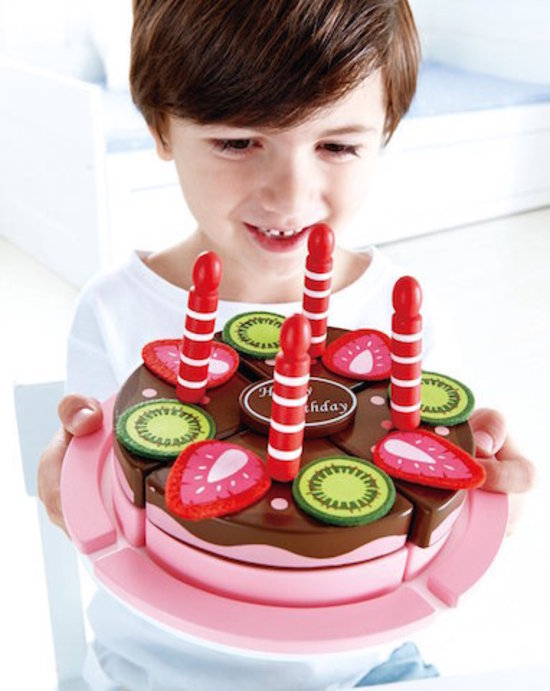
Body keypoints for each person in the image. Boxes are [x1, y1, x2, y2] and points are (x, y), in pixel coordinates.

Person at [38, 1, 535, 688]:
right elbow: (110, 509)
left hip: (367, 667)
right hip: (153, 669)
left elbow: (418, 514)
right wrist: (62, 491)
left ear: (384, 135)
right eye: (239, 142)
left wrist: (484, 498)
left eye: (336, 146)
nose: (291, 192)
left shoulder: (402, 320)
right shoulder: (114, 311)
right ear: (160, 127)